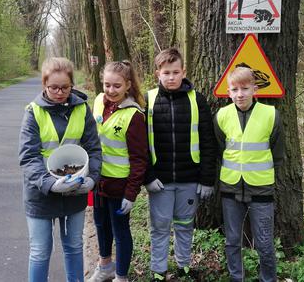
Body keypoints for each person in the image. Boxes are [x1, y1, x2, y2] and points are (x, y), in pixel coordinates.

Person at [19, 58, 102, 282]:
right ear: (44, 85)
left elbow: (94, 149)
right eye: (53, 87)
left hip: (75, 190)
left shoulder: (82, 109)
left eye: (65, 87)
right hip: (41, 194)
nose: (59, 92)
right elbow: (28, 157)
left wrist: (92, 178)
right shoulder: (33, 112)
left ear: (72, 85)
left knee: (74, 246)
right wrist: (50, 183)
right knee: (40, 251)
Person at [144, 48, 217, 281]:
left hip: (190, 179)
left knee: (185, 225)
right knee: (160, 226)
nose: (172, 77)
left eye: (176, 72)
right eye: (166, 72)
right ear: (158, 73)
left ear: (184, 71)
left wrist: (207, 179)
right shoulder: (148, 99)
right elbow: (140, 143)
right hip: (160, 181)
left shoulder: (197, 100)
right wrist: (148, 176)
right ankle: (158, 269)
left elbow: (208, 141)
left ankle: (184, 265)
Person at [214, 67, 285, 282]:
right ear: (228, 92)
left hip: (261, 189)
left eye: (245, 88)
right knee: (232, 241)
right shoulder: (221, 115)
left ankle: (268, 279)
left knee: (264, 243)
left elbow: (278, 152)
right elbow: (219, 149)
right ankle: (237, 278)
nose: (240, 94)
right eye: (235, 89)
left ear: (255, 89)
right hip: (230, 189)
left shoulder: (271, 114)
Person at [88, 61, 148, 282]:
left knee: (120, 231)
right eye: (107, 85)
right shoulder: (97, 102)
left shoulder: (134, 116)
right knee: (100, 224)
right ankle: (105, 266)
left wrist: (131, 194)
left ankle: (121, 276)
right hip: (97, 182)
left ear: (128, 86)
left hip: (119, 186)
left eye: (116, 86)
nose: (111, 90)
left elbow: (140, 159)